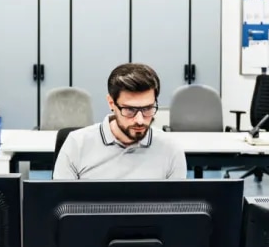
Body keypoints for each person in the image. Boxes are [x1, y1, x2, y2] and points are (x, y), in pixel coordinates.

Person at [53, 63, 187, 180]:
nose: (140, 120)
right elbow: (58, 205)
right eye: (129, 110)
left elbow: (179, 206)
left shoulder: (171, 150)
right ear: (111, 103)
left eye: (147, 108)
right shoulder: (77, 144)